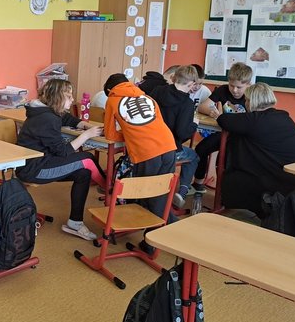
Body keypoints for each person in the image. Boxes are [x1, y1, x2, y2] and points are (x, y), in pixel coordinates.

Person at [15, 79, 106, 241]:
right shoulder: (47, 119)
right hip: (35, 170)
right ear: (57, 98)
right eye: (69, 96)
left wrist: (84, 125)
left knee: (83, 173)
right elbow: (63, 152)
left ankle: (75, 223)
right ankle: (110, 190)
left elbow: (66, 118)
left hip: (38, 164)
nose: (72, 99)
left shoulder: (44, 111)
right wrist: (87, 135)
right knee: (87, 158)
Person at [103, 73, 178, 255]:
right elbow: (157, 124)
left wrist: (129, 135)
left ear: (109, 90)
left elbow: (110, 135)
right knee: (161, 191)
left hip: (146, 152)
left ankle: (166, 233)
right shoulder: (148, 97)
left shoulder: (112, 100)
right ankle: (155, 238)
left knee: (148, 194)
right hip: (169, 145)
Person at [217, 83, 295, 217]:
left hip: (287, 180)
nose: (245, 103)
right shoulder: (283, 116)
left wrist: (219, 112)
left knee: (237, 178)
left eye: (246, 100)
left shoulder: (255, 120)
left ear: (252, 101)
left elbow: (224, 120)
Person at [192, 62, 252, 193]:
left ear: (248, 84)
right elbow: (202, 107)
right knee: (201, 149)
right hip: (223, 133)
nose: (234, 90)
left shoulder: (252, 95)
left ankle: (225, 192)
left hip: (242, 138)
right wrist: (212, 112)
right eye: (232, 85)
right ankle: (198, 184)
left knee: (225, 159)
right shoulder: (223, 90)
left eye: (239, 87)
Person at [149, 66, 200, 207]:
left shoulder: (157, 91)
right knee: (193, 156)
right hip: (169, 149)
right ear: (191, 84)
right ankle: (181, 193)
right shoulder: (187, 103)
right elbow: (182, 133)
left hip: (150, 144)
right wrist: (194, 125)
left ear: (174, 78)